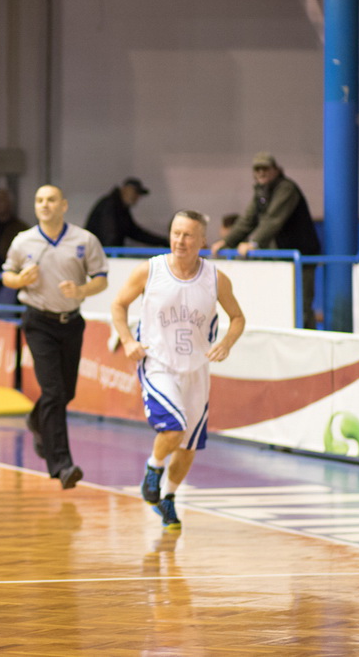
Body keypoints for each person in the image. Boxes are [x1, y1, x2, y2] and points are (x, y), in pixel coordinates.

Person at [110, 210, 246, 529]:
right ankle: (153, 468)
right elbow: (118, 304)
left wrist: (226, 342)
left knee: (188, 445)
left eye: (187, 235)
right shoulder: (151, 270)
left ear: (202, 240)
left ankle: (168, 498)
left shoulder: (216, 278)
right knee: (174, 426)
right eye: (175, 233)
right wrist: (128, 340)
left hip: (197, 368)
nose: (179, 240)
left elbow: (238, 317)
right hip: (158, 362)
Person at [2, 185, 109, 489]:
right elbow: (7, 274)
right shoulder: (24, 241)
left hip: (72, 322)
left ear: (63, 205)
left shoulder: (84, 240)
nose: (45, 205)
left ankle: (38, 422)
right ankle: (62, 466)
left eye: (50, 200)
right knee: (54, 392)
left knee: (66, 393)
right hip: (38, 321)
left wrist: (82, 291)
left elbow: (101, 279)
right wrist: (20, 280)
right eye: (39, 200)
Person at [211, 152, 320, 329]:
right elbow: (247, 219)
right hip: (281, 257)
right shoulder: (261, 191)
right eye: (257, 169)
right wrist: (226, 241)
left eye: (266, 168)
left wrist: (253, 242)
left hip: (300, 257)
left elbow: (273, 219)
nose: (261, 172)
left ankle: (308, 341)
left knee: (301, 306)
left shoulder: (286, 188)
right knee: (282, 304)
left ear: (276, 170)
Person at [85, 178, 169, 247]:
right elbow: (109, 236)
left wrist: (163, 241)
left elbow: (135, 232)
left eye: (138, 194)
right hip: (100, 256)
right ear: (124, 189)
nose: (136, 196)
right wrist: (112, 257)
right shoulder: (110, 206)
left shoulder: (120, 208)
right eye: (134, 192)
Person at [0, 188, 29, 305]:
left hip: (11, 276)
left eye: (2, 201)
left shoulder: (21, 229)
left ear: (10, 204)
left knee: (5, 315)